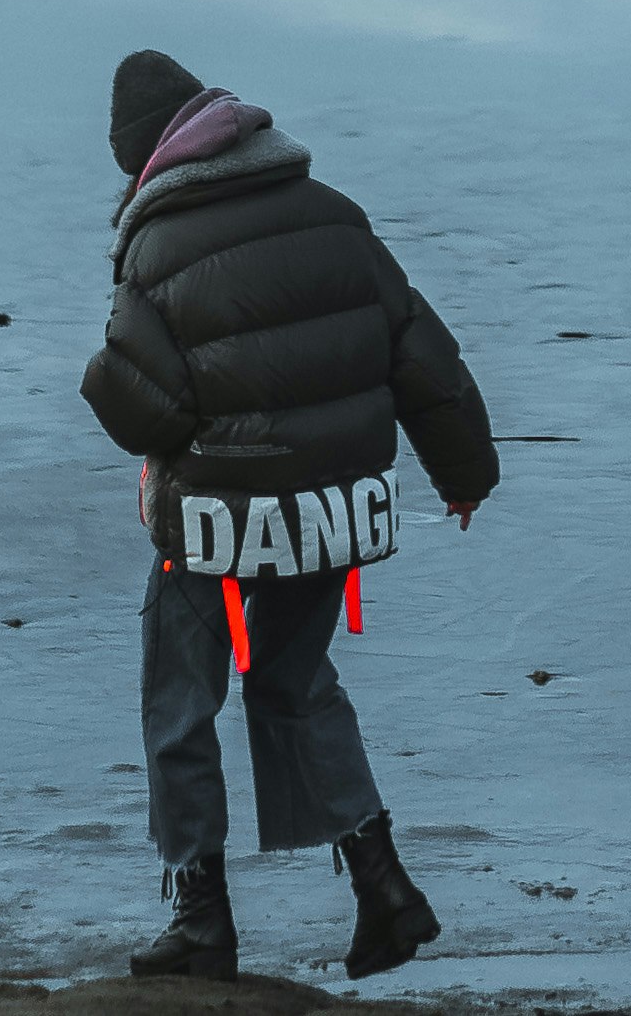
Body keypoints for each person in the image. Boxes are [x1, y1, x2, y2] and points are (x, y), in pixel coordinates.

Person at [81, 49, 500, 983]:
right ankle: (386, 889)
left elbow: (150, 411)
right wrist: (464, 473)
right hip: (327, 507)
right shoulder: (334, 213)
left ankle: (202, 920)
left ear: (147, 156)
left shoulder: (155, 247)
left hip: (219, 519)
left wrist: (101, 381)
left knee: (181, 701)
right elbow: (420, 352)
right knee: (294, 681)